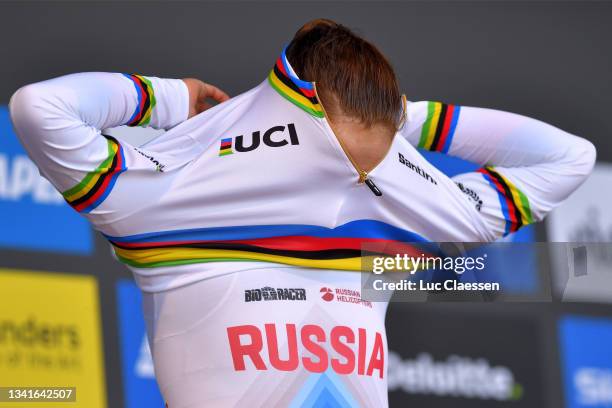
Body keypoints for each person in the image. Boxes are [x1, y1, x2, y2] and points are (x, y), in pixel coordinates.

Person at [9, 19, 595, 408]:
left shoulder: (408, 208)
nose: (358, 179)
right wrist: (166, 99)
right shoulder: (168, 195)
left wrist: (405, 118)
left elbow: (571, 158)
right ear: (294, 118)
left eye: (377, 157)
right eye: (342, 154)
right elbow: (39, 108)